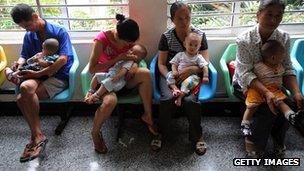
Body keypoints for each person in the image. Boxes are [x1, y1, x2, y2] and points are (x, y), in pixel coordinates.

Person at [233, 0, 304, 158]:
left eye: (279, 15)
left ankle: (278, 138)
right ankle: (253, 140)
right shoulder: (244, 39)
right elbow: (245, 73)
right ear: (258, 15)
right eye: (269, 15)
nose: (274, 20)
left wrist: (296, 92)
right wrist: (266, 92)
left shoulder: (283, 37)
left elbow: (287, 68)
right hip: (247, 84)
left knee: (289, 103)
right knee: (266, 109)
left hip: (273, 82)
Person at [10, 4, 74, 162]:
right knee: (25, 87)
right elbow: (24, 55)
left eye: (27, 25)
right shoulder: (29, 36)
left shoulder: (59, 31)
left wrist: (38, 73)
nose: (26, 29)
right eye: (23, 27)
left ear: (34, 17)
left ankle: (35, 136)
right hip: (38, 74)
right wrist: (19, 63)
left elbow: (63, 60)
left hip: (58, 76)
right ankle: (39, 135)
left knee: (21, 99)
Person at [88, 14, 157, 154]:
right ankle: (95, 134)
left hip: (123, 78)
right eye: (127, 44)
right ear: (118, 36)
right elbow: (92, 69)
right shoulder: (102, 40)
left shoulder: (129, 38)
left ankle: (148, 115)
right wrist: (117, 59)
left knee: (146, 73)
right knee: (110, 102)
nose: (128, 47)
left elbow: (136, 56)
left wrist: (134, 66)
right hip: (107, 79)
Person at [155, 1, 209, 155]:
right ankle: (161, 133)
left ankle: (197, 136)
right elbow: (161, 63)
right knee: (166, 99)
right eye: (180, 18)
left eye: (187, 17)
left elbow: (205, 60)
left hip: (192, 77)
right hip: (171, 74)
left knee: (190, 101)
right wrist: (171, 76)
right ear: (172, 19)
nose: (184, 22)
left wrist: (192, 69)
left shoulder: (199, 35)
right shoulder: (166, 37)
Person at [241, 40, 303, 136]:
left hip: (273, 89)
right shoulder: (258, 67)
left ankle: (291, 116)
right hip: (256, 89)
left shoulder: (280, 67)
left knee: (280, 102)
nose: (283, 58)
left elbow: (287, 73)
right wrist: (246, 89)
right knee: (252, 106)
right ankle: (245, 124)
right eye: (282, 56)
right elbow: (248, 77)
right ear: (273, 57)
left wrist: (296, 92)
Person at [166, 32, 209, 106]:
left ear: (199, 47)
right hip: (178, 74)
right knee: (169, 74)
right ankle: (175, 88)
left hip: (191, 77)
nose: (193, 47)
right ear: (185, 44)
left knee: (192, 80)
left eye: (196, 45)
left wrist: (205, 76)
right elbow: (174, 63)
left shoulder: (198, 57)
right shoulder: (180, 55)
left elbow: (204, 67)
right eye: (190, 44)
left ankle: (180, 97)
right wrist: (174, 71)